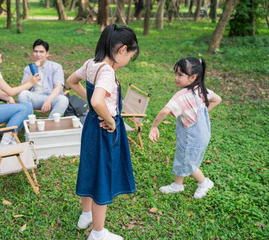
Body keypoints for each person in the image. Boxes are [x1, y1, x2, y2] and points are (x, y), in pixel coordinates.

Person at [66, 24, 139, 240]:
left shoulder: (92, 64)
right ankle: (98, 233)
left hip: (90, 126)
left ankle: (86, 214)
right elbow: (98, 101)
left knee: (91, 168)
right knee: (103, 177)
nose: (127, 63)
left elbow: (70, 81)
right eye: (130, 57)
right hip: (103, 129)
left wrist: (92, 103)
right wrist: (112, 122)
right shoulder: (107, 71)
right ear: (122, 50)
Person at [148, 57, 222, 199]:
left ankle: (204, 183)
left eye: (180, 75)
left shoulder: (181, 96)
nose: (176, 78)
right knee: (182, 157)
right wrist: (204, 113)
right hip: (202, 134)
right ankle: (177, 185)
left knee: (189, 163)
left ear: (192, 77)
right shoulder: (201, 89)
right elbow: (217, 99)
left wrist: (154, 126)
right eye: (175, 73)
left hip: (192, 138)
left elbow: (164, 111)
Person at [17, 39, 69, 118]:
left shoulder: (56, 67)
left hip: (51, 97)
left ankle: (50, 124)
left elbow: (58, 88)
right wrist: (34, 70)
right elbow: (22, 88)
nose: (38, 54)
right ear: (33, 53)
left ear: (47, 54)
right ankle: (32, 122)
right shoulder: (28, 68)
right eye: (36, 51)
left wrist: (49, 100)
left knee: (63, 100)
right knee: (22, 95)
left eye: (41, 52)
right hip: (35, 98)